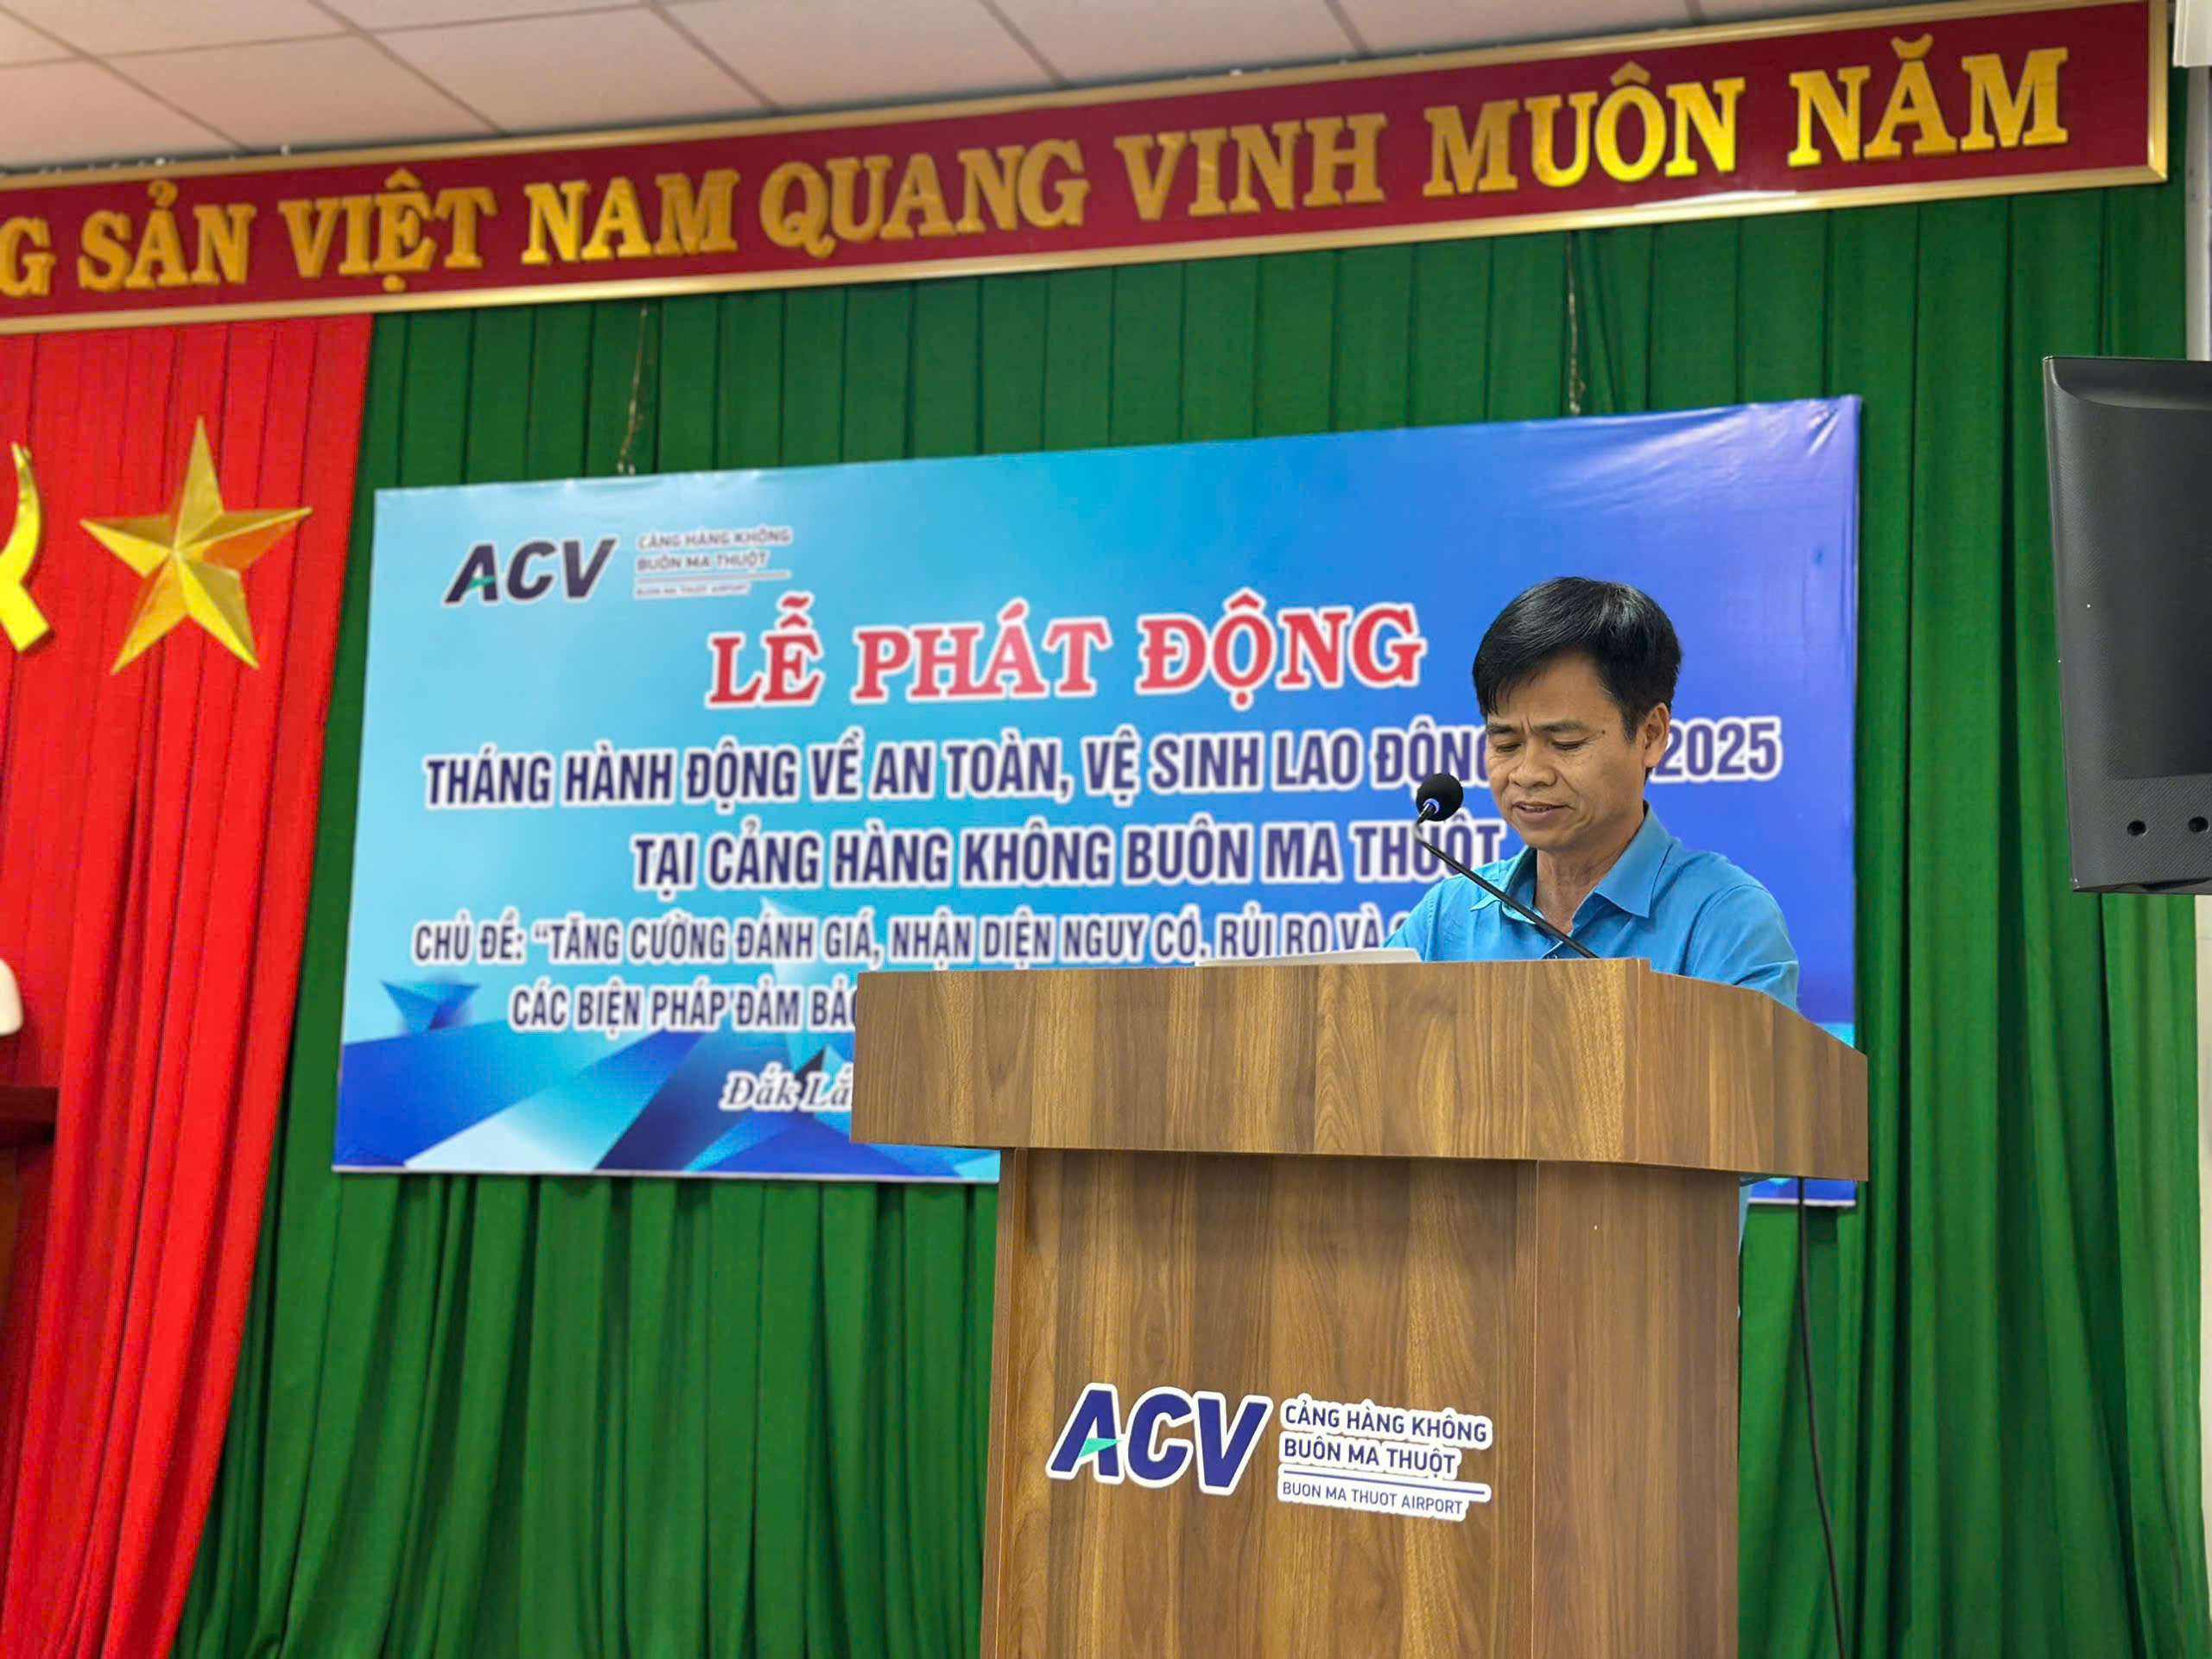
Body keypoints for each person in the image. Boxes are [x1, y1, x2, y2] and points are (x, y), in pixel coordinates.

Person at [1387, 576, 1797, 1005]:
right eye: (1506, 744)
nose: (1529, 774)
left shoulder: (1724, 920)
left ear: (1651, 735)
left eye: (1566, 743)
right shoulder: (1447, 918)